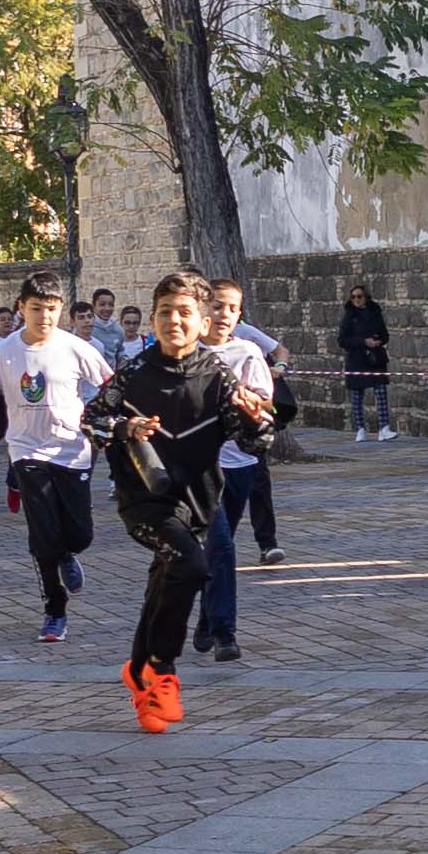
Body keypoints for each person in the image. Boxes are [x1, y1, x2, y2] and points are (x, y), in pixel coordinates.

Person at [97, 273, 267, 727]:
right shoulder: (134, 372)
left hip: (199, 501)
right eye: (165, 312)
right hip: (145, 500)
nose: (174, 320)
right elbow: (91, 419)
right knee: (192, 565)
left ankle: (137, 674)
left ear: (202, 319)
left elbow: (256, 444)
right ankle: (164, 670)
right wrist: (123, 429)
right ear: (153, 318)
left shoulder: (217, 373)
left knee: (164, 580)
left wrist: (255, 421)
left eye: (184, 312)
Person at [0, 275, 111, 642]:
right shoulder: (3, 351)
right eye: (36, 309)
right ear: (21, 308)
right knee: (43, 535)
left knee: (79, 534)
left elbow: (112, 385)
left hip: (73, 449)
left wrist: (110, 417)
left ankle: (69, 553)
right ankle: (55, 610)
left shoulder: (75, 347)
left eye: (51, 309)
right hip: (25, 449)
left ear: (61, 310)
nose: (44, 316)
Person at [198, 291, 284, 657]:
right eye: (217, 306)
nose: (224, 314)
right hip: (200, 468)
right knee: (221, 546)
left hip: (241, 463)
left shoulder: (248, 352)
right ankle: (224, 634)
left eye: (232, 309)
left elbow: (268, 405)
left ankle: (205, 617)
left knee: (221, 549)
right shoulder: (187, 353)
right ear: (203, 309)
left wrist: (248, 400)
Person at [337, 285, 394, 443]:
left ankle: (384, 428)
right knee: (357, 396)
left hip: (375, 358)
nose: (356, 299)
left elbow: (385, 335)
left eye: (359, 296)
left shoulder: (375, 313)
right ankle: (360, 429)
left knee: (381, 391)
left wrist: (378, 341)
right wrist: (363, 341)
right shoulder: (349, 316)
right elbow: (342, 340)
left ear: (366, 297)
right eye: (353, 297)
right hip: (357, 359)